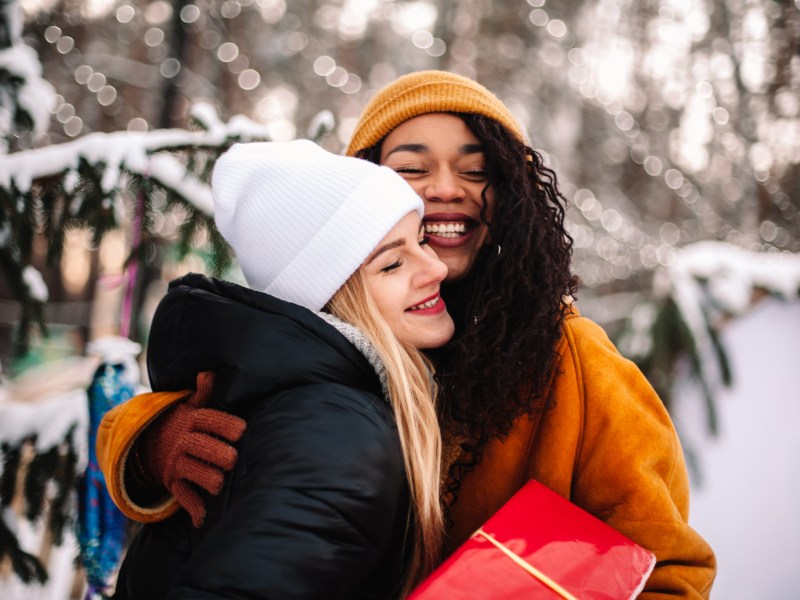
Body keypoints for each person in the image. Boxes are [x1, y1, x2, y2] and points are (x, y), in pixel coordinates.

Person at [102, 71, 717, 598]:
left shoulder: (573, 358)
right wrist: (154, 444)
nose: (447, 187)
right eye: (413, 167)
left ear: (513, 196)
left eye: (477, 171)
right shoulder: (332, 332)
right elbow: (248, 391)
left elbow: (670, 570)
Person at [97, 139, 455, 599]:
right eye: (392, 264)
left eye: (422, 240)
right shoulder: (338, 430)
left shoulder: (310, 402)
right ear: (333, 299)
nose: (437, 268)